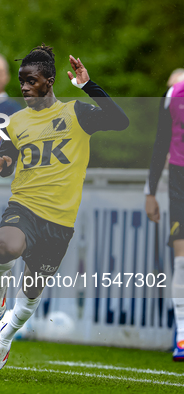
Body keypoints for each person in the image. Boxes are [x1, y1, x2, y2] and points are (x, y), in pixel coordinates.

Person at [0, 45, 129, 373]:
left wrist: (88, 86)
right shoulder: (17, 121)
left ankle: (5, 337)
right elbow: (8, 161)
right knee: (6, 245)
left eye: (31, 80)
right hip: (24, 204)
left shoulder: (76, 113)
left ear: (49, 82)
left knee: (32, 291)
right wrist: (3, 163)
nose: (23, 87)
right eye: (21, 81)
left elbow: (120, 121)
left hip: (60, 222)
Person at [144, 77, 184, 361]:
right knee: (182, 259)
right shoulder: (174, 94)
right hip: (180, 179)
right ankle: (181, 337)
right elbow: (161, 142)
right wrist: (150, 192)